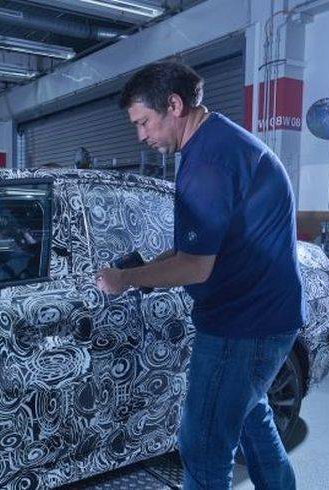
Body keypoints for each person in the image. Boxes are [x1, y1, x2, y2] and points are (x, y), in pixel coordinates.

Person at [96, 62, 305, 489]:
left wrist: (125, 280)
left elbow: (195, 266)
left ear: (174, 105)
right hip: (266, 318)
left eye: (143, 122)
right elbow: (200, 246)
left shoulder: (208, 162)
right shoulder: (221, 141)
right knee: (252, 421)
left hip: (241, 328)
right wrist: (145, 268)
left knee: (204, 445)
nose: (141, 136)